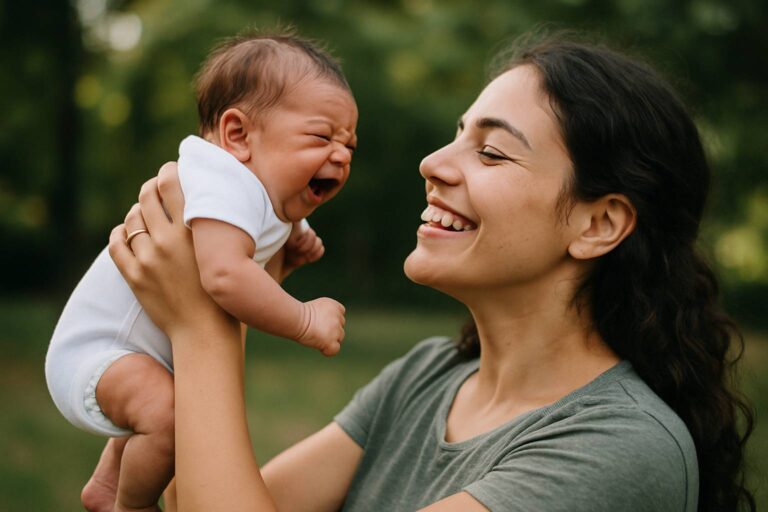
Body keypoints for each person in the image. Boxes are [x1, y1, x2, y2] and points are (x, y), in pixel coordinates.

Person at [109, 33, 754, 511]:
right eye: (456, 135)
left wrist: (202, 325)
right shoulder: (427, 378)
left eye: (492, 152)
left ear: (599, 225)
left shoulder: (617, 451)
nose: (433, 163)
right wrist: (232, 289)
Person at [46, 31, 357, 512]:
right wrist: (303, 319)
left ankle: (108, 482)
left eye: (349, 145)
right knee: (171, 418)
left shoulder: (256, 200)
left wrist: (279, 258)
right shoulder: (222, 179)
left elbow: (225, 294)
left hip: (143, 354)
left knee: (171, 405)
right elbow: (223, 280)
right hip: (100, 353)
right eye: (321, 136)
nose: (340, 155)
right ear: (238, 135)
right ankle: (128, 505)